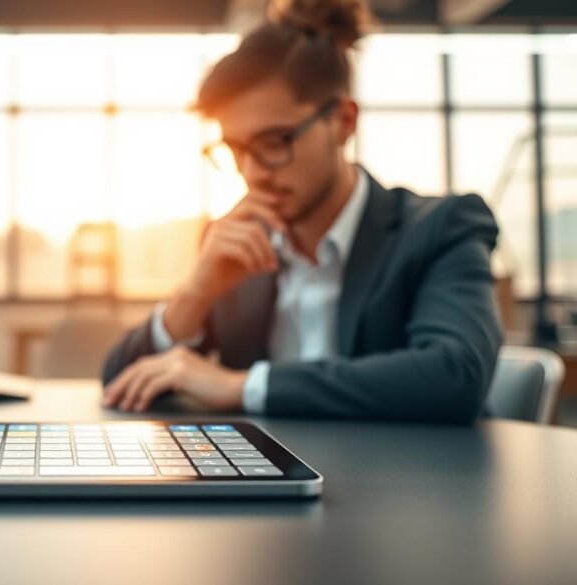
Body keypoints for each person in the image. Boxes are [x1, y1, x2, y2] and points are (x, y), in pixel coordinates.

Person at [101, 0, 502, 423]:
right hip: (266, 486)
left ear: (343, 122)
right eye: (235, 150)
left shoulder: (439, 229)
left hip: (411, 483)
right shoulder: (235, 244)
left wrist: (243, 386)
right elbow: (119, 381)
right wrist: (195, 294)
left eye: (275, 142)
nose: (252, 173)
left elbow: (455, 376)